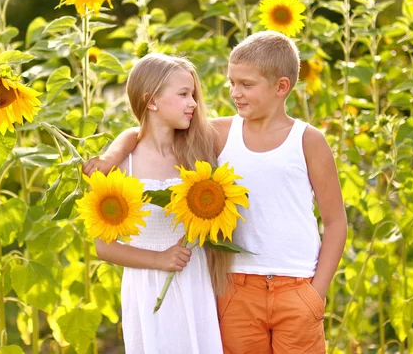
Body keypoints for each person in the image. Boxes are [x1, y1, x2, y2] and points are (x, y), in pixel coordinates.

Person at [85, 31, 348, 354]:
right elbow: (145, 133)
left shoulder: (304, 140)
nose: (235, 93)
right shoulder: (223, 134)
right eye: (231, 83)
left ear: (281, 87)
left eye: (246, 85)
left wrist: (316, 292)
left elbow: (336, 221)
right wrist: (112, 156)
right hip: (237, 287)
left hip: (296, 284)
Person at [93, 53, 225, 354]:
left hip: (195, 279)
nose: (193, 103)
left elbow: (248, 125)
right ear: (151, 101)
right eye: (183, 94)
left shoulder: (197, 150)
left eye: (193, 94)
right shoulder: (123, 166)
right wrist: (160, 259)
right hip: (148, 283)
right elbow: (104, 247)